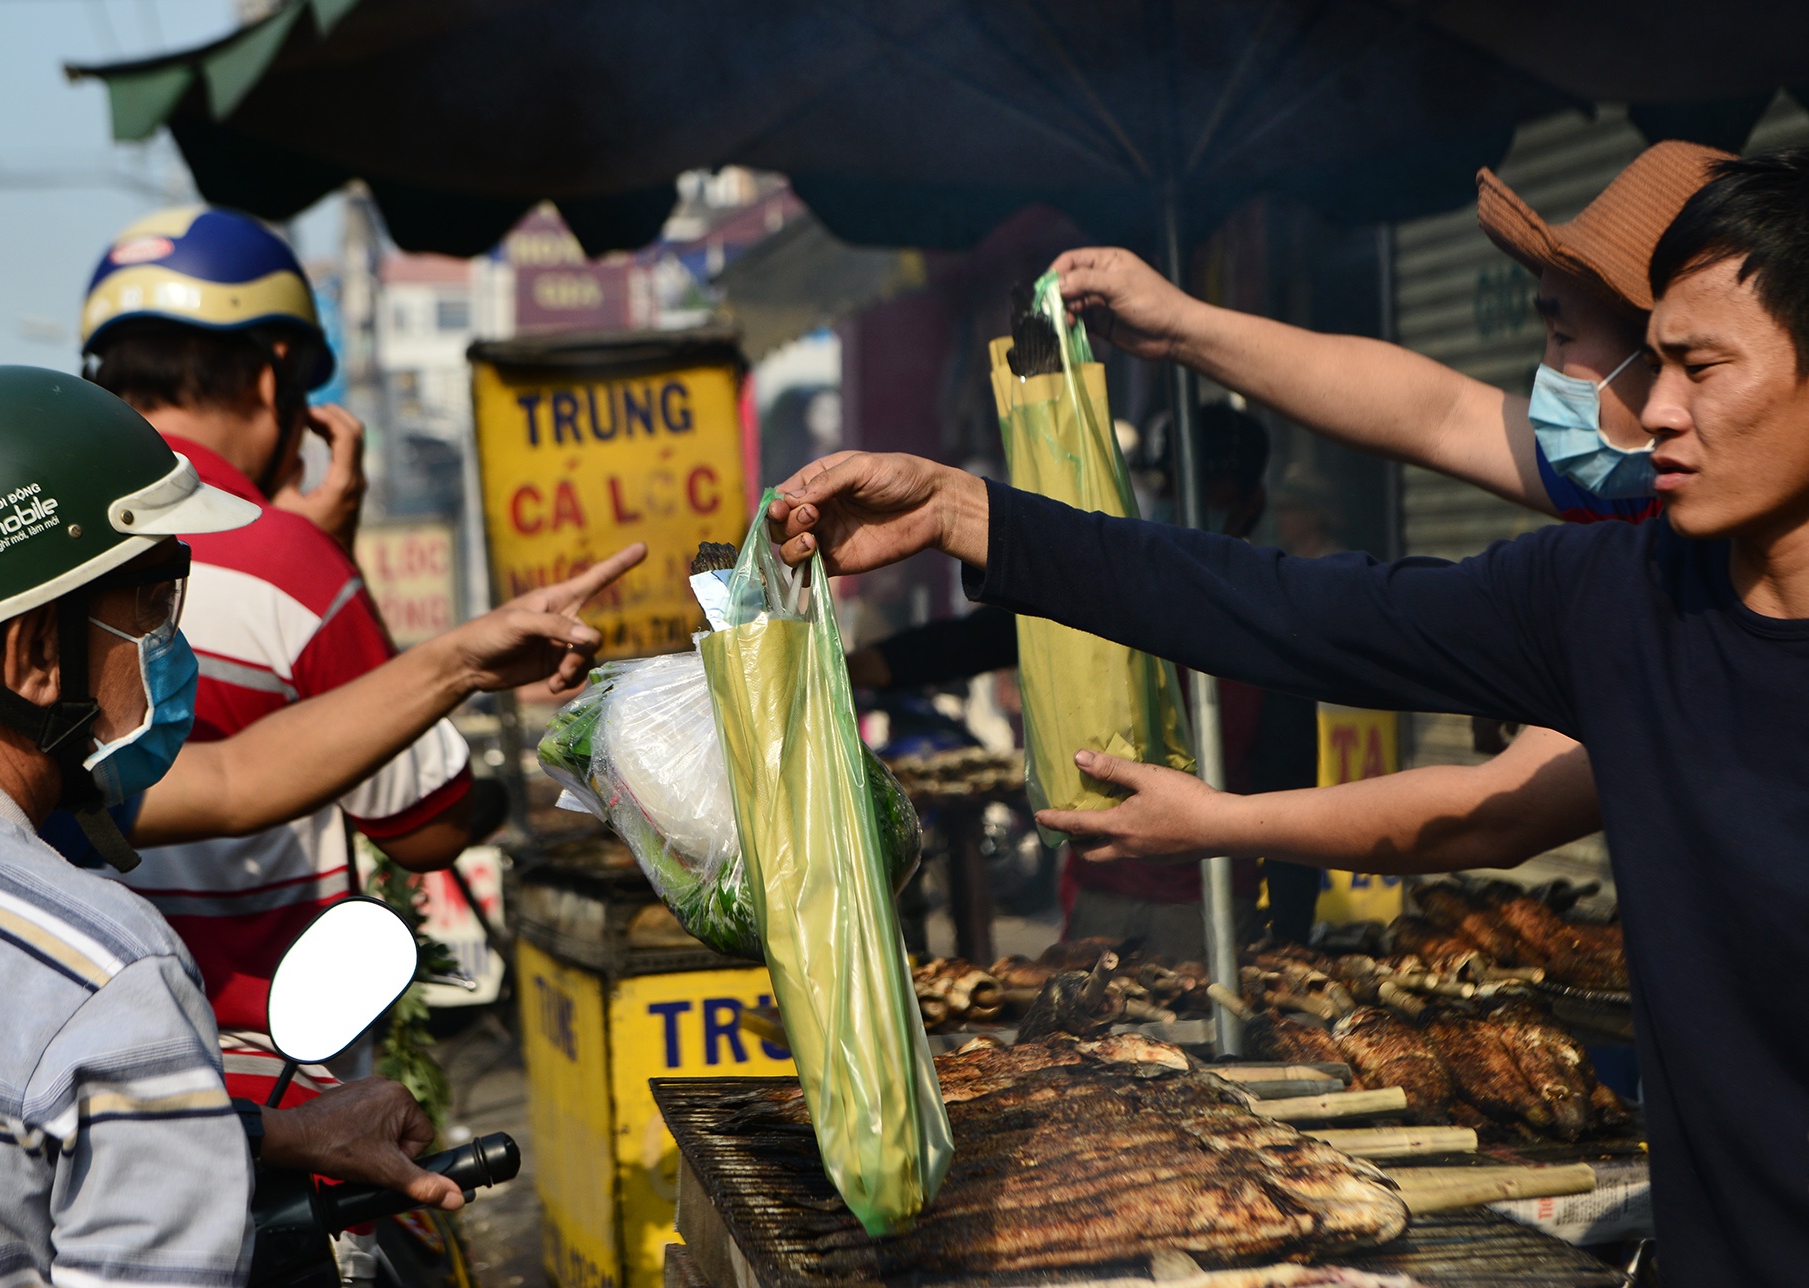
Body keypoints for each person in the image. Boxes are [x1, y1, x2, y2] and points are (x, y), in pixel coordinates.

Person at [772, 148, 1809, 1283]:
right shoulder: (1623, 597)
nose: (1655, 409)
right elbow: (1301, 607)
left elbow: (1492, 807)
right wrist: (970, 512)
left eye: (1700, 366)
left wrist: (1227, 819)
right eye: (1655, 361)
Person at [0, 367, 601, 1280]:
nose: (168, 646)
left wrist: (262, 1132)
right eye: (155, 608)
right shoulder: (98, 971)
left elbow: (239, 777)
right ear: (36, 656)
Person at [1028, 140, 1727, 876]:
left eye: (1563, 335)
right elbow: (1438, 414)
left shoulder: (1709, 578)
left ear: (1668, 356)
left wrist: (1216, 821)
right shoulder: (1641, 500)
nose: (1543, 374)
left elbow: (1502, 810)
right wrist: (1180, 325)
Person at [75, 206, 484, 1081]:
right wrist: (333, 561)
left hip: (83, 1076)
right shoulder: (293, 567)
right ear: (272, 380)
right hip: (278, 1087)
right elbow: (429, 828)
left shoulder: (42, 552)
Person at [847, 404, 1321, 948]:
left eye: (1209, 492)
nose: (1182, 502)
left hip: (1207, 907)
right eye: (1169, 486)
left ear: (1249, 504)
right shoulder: (1120, 584)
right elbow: (975, 641)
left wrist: (1292, 937)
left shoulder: (1266, 618)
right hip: (1099, 894)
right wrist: (850, 668)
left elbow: (1291, 786)